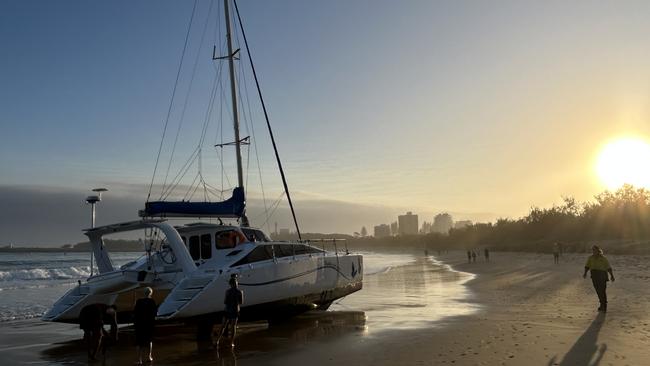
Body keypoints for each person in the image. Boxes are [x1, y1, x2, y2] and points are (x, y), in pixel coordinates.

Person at [583, 245, 615, 312]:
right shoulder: (590, 258)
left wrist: (612, 275)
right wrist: (585, 273)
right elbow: (587, 266)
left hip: (602, 275)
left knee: (602, 291)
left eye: (595, 250)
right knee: (598, 291)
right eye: (593, 250)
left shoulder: (603, 258)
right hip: (594, 276)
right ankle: (602, 304)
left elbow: (608, 267)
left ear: (598, 251)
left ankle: (604, 306)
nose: (594, 251)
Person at [217, 275, 244, 348]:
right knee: (233, 327)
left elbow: (225, 302)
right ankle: (231, 343)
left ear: (230, 284)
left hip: (227, 310)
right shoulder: (240, 292)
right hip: (235, 310)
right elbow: (241, 302)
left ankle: (217, 341)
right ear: (236, 284)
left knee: (223, 326)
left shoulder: (227, 291)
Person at [134, 287, 157, 364]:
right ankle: (149, 357)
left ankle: (139, 359)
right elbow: (154, 313)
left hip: (139, 324)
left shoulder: (139, 301)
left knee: (139, 342)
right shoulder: (152, 301)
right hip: (149, 324)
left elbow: (135, 313)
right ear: (150, 293)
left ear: (143, 293)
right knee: (149, 340)